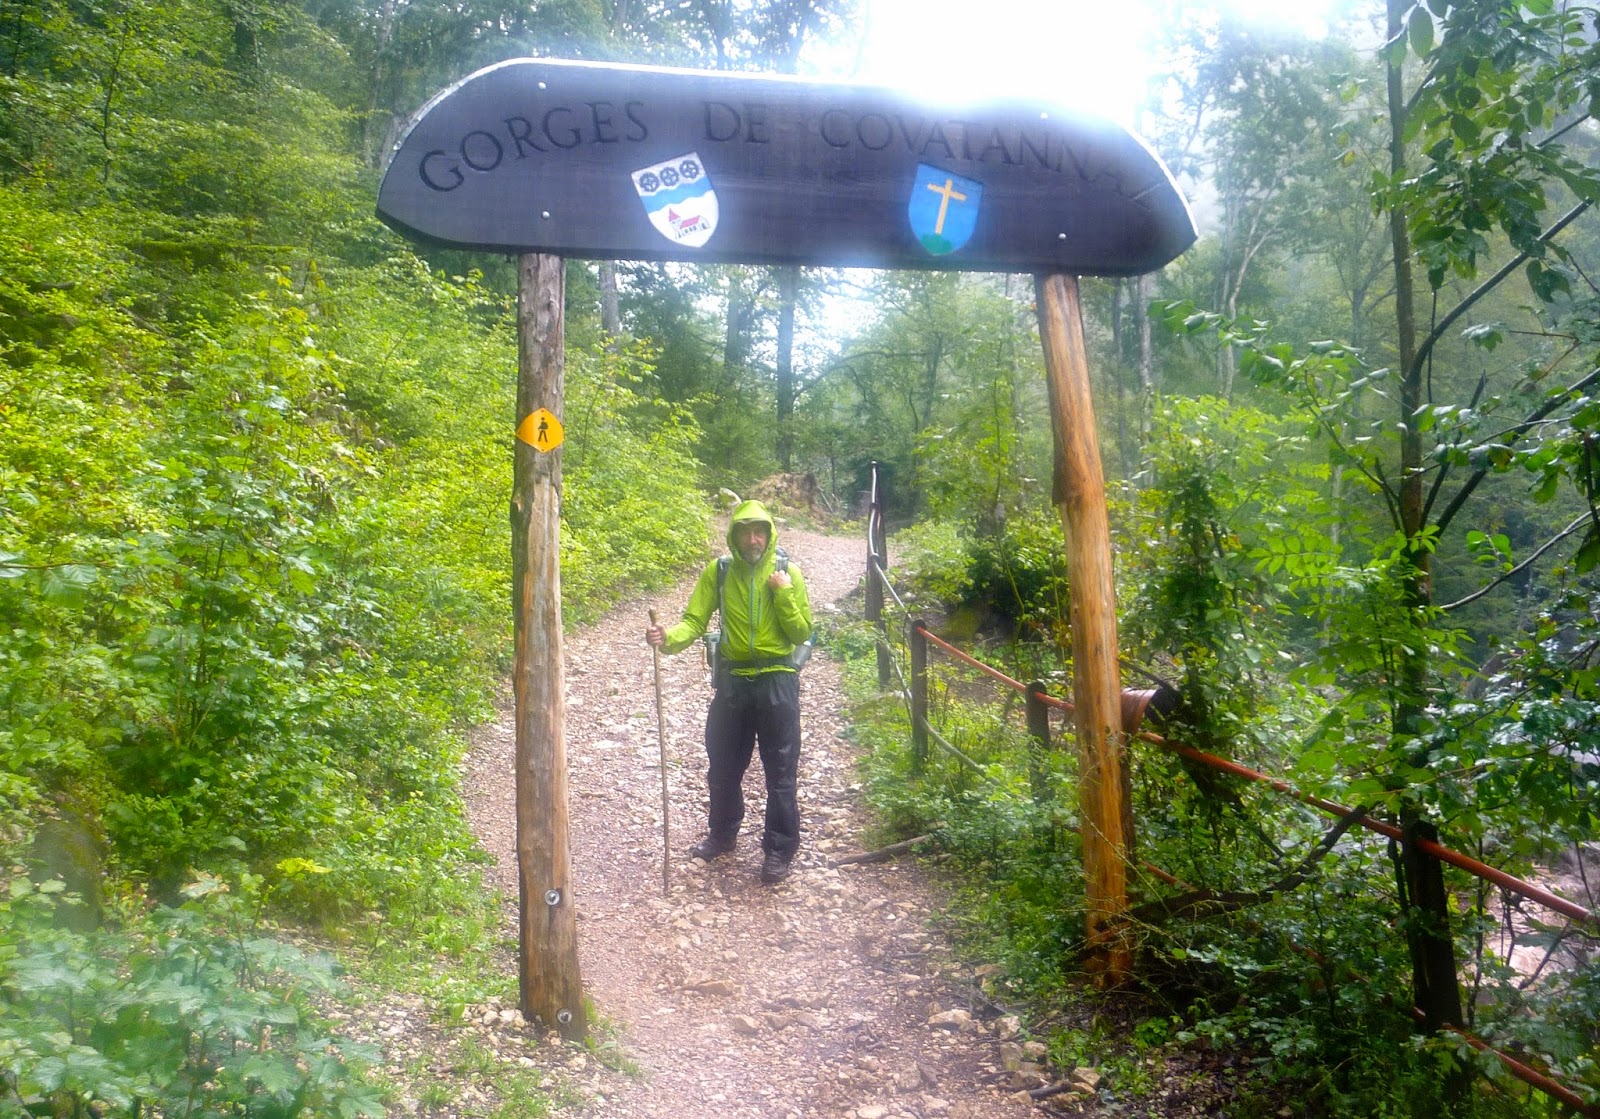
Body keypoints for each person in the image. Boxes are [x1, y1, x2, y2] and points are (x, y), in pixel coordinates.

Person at [645, 500, 814, 884]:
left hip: (777, 680)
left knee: (781, 772)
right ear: (734, 536)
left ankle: (778, 851)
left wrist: (783, 593)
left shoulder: (788, 572)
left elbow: (801, 632)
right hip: (733, 681)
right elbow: (694, 621)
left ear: (769, 535)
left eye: (759, 532)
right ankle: (722, 835)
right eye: (745, 532)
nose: (753, 539)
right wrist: (667, 637)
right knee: (722, 765)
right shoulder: (720, 572)